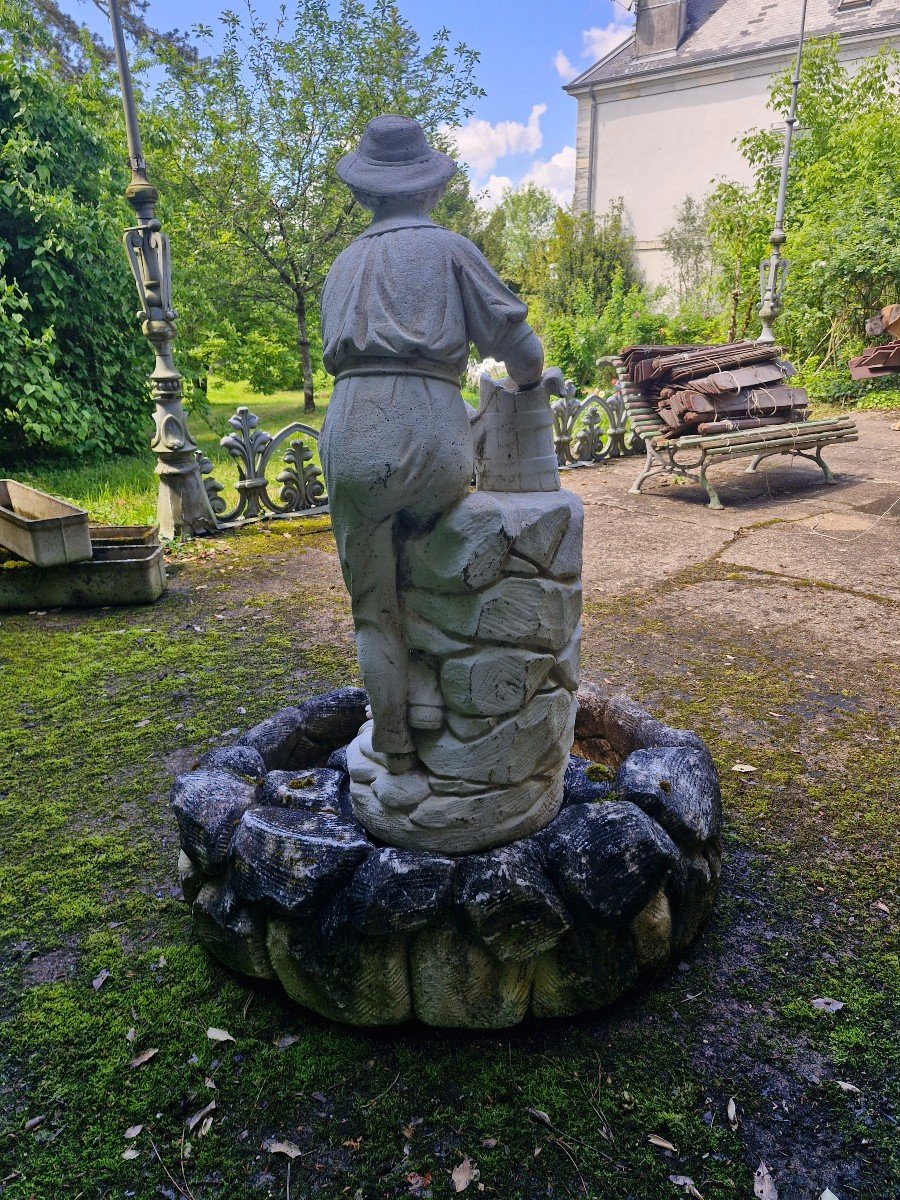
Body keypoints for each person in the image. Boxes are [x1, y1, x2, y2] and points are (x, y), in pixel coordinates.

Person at [319, 115, 546, 774]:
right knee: (428, 557)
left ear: (367, 193)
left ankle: (393, 744)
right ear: (429, 187)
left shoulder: (342, 264)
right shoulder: (451, 249)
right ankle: (442, 713)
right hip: (431, 429)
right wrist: (527, 383)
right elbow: (522, 353)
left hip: (353, 430)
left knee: (373, 605)